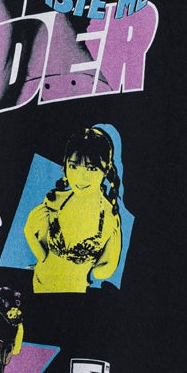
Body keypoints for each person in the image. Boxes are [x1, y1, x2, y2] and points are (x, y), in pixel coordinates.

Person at [24, 124, 124, 293]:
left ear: (106, 169)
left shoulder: (109, 217)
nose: (80, 177)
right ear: (65, 165)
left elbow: (104, 271)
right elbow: (29, 231)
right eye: (73, 166)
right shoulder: (55, 201)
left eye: (91, 169)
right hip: (39, 285)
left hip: (75, 296)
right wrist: (43, 258)